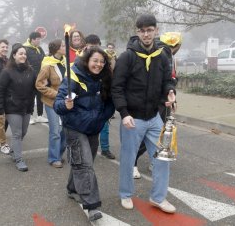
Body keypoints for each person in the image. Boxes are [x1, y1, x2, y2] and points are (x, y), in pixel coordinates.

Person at [111, 14, 177, 213]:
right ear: (137, 32)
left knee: (162, 158)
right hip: (133, 119)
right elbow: (117, 87)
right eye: (142, 30)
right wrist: (124, 113)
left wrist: (170, 91)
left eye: (150, 30)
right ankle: (125, 194)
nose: (146, 34)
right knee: (128, 159)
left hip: (154, 118)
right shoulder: (127, 56)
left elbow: (168, 79)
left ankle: (158, 197)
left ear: (156, 30)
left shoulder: (162, 55)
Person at [54, 47, 115, 222]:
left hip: (94, 127)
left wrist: (102, 117)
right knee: (85, 165)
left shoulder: (105, 78)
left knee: (82, 162)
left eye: (102, 62)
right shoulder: (73, 76)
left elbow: (110, 103)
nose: (99, 64)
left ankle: (72, 189)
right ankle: (92, 205)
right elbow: (58, 103)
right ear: (87, 60)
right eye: (95, 60)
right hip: (74, 127)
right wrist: (65, 105)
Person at [133, 33, 182, 179]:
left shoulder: (170, 57)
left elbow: (169, 80)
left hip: (164, 101)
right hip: (156, 103)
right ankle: (132, 164)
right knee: (149, 135)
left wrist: (172, 91)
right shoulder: (163, 53)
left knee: (159, 136)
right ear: (176, 46)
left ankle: (154, 161)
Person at [0, 43, 36, 172]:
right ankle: (19, 159)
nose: (23, 56)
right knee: (17, 134)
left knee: (23, 132)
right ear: (14, 55)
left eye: (24, 54)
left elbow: (35, 88)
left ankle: (13, 151)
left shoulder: (31, 71)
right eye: (20, 53)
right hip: (12, 107)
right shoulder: (7, 72)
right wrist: (0, 109)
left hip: (26, 107)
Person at [35, 39, 66, 168]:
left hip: (66, 102)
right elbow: (39, 84)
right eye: (63, 45)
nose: (66, 47)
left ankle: (58, 153)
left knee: (66, 130)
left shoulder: (65, 62)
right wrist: (56, 94)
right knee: (55, 131)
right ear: (57, 49)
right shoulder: (47, 64)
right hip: (51, 102)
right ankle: (54, 158)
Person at [23, 31, 47, 124]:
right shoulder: (25, 49)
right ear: (32, 39)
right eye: (38, 39)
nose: (39, 41)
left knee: (40, 97)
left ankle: (40, 115)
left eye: (40, 39)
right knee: (30, 97)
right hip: (29, 77)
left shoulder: (40, 49)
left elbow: (45, 60)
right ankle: (30, 115)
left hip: (40, 77)